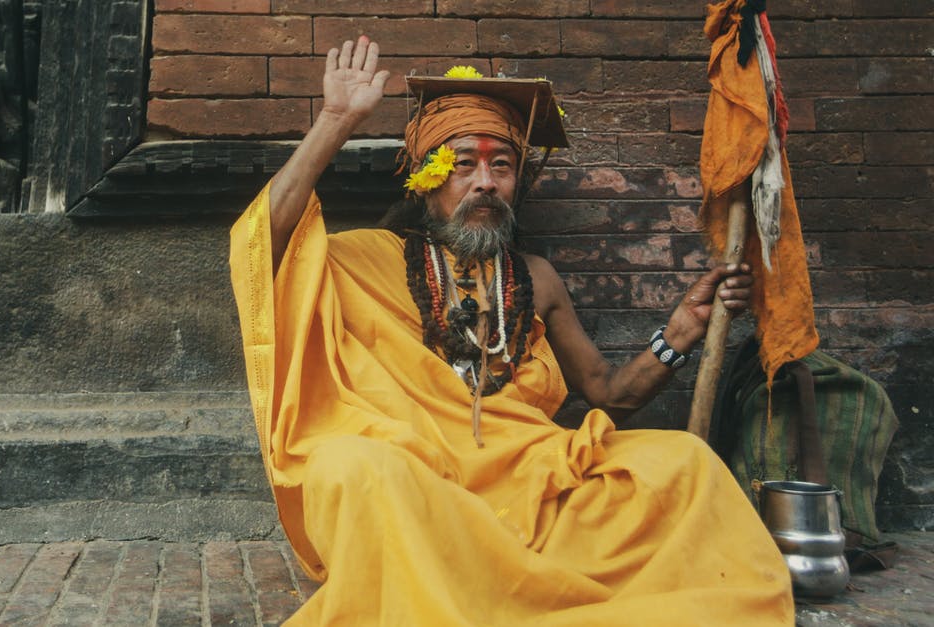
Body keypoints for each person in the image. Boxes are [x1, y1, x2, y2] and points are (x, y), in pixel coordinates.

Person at [230, 36, 794, 625]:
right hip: (422, 480)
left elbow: (608, 393)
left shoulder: (535, 280)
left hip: (529, 481)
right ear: (428, 179)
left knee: (684, 462)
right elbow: (265, 241)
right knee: (353, 468)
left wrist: (679, 333)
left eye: (501, 165)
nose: (485, 182)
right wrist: (336, 120)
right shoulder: (368, 258)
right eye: (464, 164)